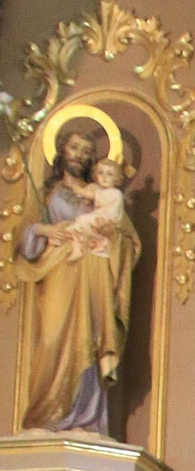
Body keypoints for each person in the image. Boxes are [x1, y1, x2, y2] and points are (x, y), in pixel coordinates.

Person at [17, 125, 140, 435]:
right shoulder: (47, 193)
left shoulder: (101, 195)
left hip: (92, 277)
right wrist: (46, 230)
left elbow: (128, 241)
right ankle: (46, 416)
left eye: (87, 152)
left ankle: (85, 419)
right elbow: (24, 239)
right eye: (74, 148)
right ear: (61, 152)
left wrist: (113, 235)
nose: (80, 156)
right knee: (51, 338)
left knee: (89, 340)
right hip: (59, 273)